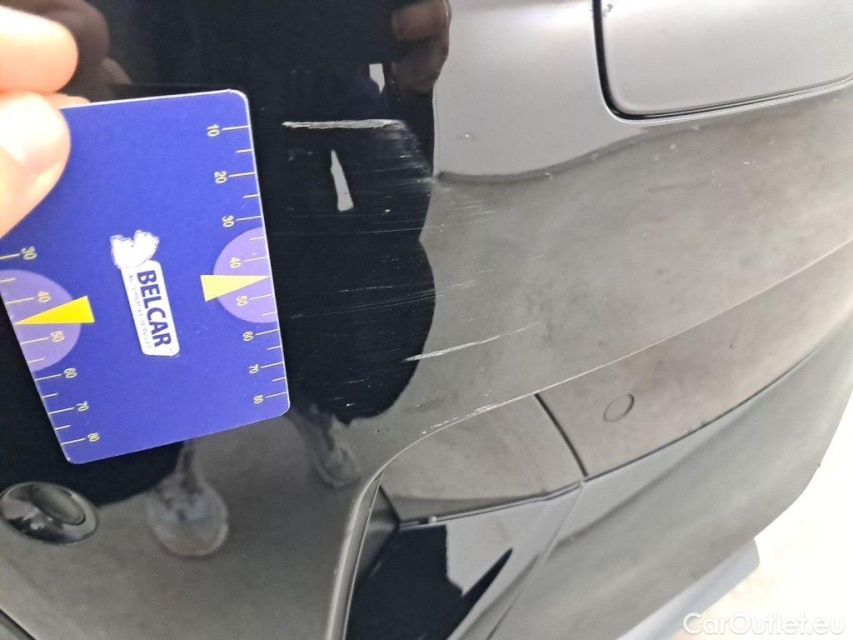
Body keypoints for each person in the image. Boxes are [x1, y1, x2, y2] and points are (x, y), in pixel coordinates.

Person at [0, 1, 448, 556]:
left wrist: (408, 94)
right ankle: (170, 454)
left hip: (283, 199)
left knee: (316, 340)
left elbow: (379, 169)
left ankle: (308, 400)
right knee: (140, 360)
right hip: (108, 206)